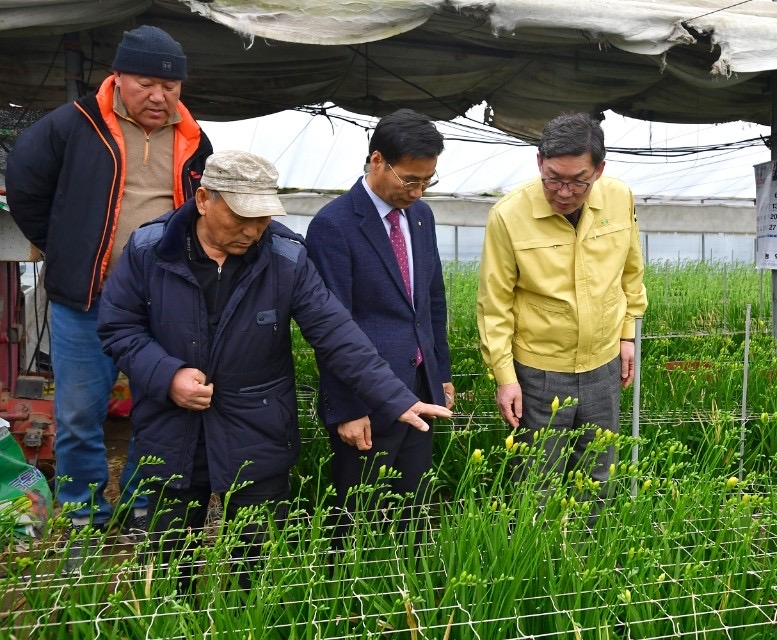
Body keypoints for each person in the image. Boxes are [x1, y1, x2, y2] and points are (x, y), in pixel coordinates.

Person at [97, 150, 452, 586]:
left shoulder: (285, 257)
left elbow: (336, 332)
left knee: (257, 568)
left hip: (258, 426)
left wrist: (396, 398)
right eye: (241, 218)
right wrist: (167, 375)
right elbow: (118, 327)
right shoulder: (150, 250)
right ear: (205, 199)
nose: (253, 231)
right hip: (172, 430)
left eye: (263, 218)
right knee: (172, 565)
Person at [5, 25, 213, 542]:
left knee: (156, 410)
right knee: (80, 414)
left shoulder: (194, 138)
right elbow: (25, 186)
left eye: (171, 87)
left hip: (160, 302)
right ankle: (84, 511)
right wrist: (66, 247)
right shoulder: (73, 125)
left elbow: (208, 209)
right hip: (86, 300)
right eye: (146, 83)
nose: (159, 96)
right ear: (117, 78)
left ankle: (143, 507)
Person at [476, 112, 647, 500]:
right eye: (554, 178)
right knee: (537, 478)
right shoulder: (508, 215)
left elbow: (631, 272)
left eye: (578, 181)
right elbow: (494, 303)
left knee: (599, 472)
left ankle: (586, 550)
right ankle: (538, 556)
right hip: (539, 371)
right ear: (539, 162)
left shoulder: (620, 199)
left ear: (599, 170)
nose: (564, 191)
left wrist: (627, 335)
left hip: (603, 364)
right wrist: (505, 377)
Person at [305, 109, 454, 537]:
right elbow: (330, 328)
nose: (418, 190)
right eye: (410, 179)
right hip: (366, 396)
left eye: (428, 181)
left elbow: (431, 302)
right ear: (376, 161)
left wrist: (439, 373)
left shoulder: (420, 217)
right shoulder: (334, 225)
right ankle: (350, 593)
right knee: (358, 511)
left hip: (420, 386)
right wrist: (347, 409)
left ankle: (408, 589)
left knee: (413, 504)